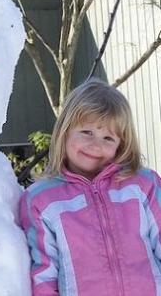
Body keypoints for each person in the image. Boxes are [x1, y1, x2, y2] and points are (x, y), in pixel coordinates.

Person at [20, 78, 161, 296]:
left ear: (121, 145)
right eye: (87, 132)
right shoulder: (41, 200)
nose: (96, 145)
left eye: (108, 138)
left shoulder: (142, 184)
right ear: (65, 131)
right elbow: (44, 273)